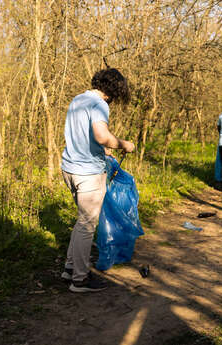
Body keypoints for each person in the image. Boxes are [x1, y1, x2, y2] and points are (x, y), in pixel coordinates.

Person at [60, 68, 135, 292]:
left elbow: (83, 136)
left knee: (81, 221)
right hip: (88, 173)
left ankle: (69, 269)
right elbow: (102, 136)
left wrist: (103, 153)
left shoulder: (78, 99)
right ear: (113, 90)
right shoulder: (99, 104)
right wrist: (124, 144)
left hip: (69, 168)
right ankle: (80, 280)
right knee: (87, 225)